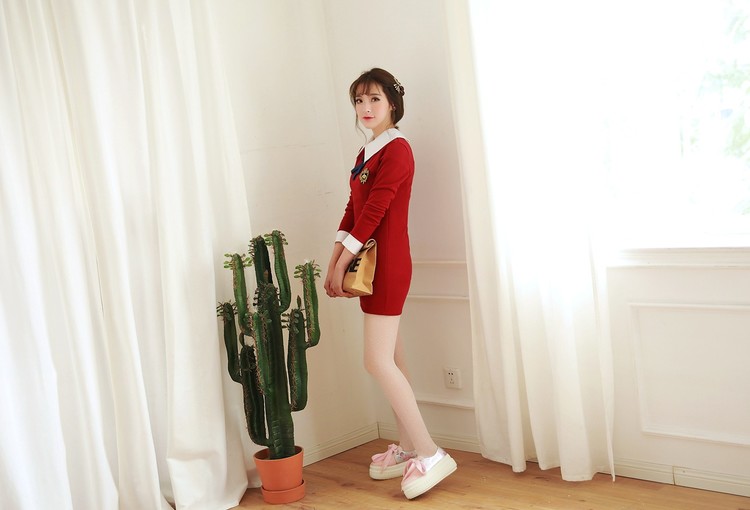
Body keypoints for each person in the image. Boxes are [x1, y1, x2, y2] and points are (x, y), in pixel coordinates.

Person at [324, 68, 457, 500]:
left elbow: (375, 212)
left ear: (393, 104)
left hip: (388, 264)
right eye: (359, 101)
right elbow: (352, 208)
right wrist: (334, 259)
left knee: (376, 361)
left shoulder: (397, 149)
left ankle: (430, 452)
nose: (365, 108)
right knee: (393, 360)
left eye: (374, 99)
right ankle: (407, 448)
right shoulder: (368, 151)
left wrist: (345, 262)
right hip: (371, 261)